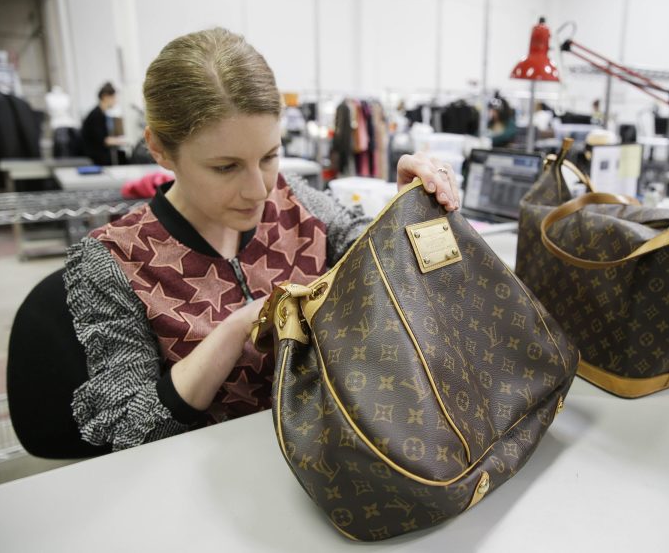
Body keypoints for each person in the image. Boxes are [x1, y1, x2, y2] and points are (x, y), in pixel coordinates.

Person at [64, 27, 460, 451]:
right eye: (225, 167)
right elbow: (128, 428)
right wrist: (234, 330)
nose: (259, 190)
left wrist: (410, 212)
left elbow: (410, 284)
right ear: (160, 149)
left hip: (341, 459)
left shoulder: (301, 208)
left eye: (269, 157)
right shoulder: (117, 260)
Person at [81, 82, 126, 165]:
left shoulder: (101, 113)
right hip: (95, 155)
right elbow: (104, 140)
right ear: (105, 97)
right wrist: (123, 141)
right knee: (123, 158)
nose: (116, 101)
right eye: (113, 97)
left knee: (122, 155)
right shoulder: (96, 115)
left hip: (98, 152)